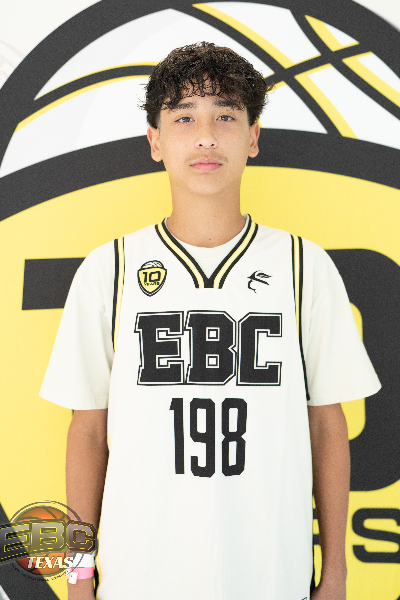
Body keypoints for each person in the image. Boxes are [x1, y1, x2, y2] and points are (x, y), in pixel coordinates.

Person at [39, 41, 381, 600]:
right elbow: (88, 432)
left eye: (225, 116)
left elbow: (326, 426)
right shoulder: (111, 268)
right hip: (137, 582)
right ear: (155, 141)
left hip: (271, 578)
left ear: (253, 137)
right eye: (183, 117)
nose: (205, 136)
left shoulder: (303, 266)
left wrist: (336, 572)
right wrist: (79, 576)